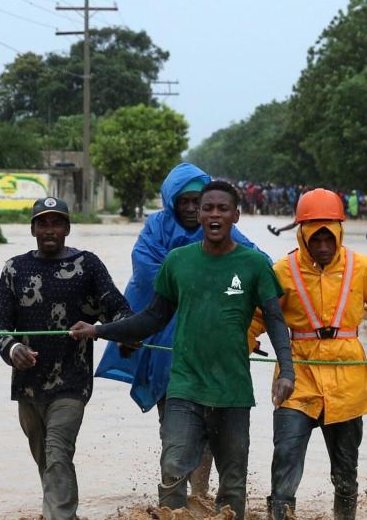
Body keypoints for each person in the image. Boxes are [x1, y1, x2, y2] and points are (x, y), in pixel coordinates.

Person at [72, 181, 294, 520]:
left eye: (222, 209)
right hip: (185, 388)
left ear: (236, 216)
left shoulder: (254, 264)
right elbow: (152, 318)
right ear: (198, 215)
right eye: (207, 208)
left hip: (233, 392)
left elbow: (275, 321)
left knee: (233, 482)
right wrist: (99, 330)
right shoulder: (178, 262)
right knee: (174, 469)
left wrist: (286, 372)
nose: (213, 215)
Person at [250, 188, 367, 520]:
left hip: (348, 380)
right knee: (285, 460)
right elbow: (257, 315)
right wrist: (244, 344)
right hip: (296, 376)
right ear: (301, 233)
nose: (321, 243)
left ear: (339, 232)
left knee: (345, 470)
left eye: (327, 235)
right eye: (314, 235)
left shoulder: (362, 267)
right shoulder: (281, 271)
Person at [95, 162, 264, 497]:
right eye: (183, 202)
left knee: (210, 426)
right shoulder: (155, 228)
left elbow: (258, 267)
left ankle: (199, 499)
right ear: (171, 202)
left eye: (195, 201)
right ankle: (175, 505)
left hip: (213, 342)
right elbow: (147, 273)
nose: (190, 208)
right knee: (174, 426)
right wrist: (202, 275)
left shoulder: (217, 227)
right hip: (163, 339)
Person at [0, 196, 131, 520]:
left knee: (57, 450)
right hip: (28, 384)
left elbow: (120, 311)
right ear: (33, 229)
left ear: (67, 228)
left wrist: (114, 333)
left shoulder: (88, 266)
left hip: (72, 380)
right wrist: (13, 348)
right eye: (43, 223)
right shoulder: (14, 269)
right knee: (46, 457)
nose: (49, 229)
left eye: (56, 223)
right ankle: (64, 515)